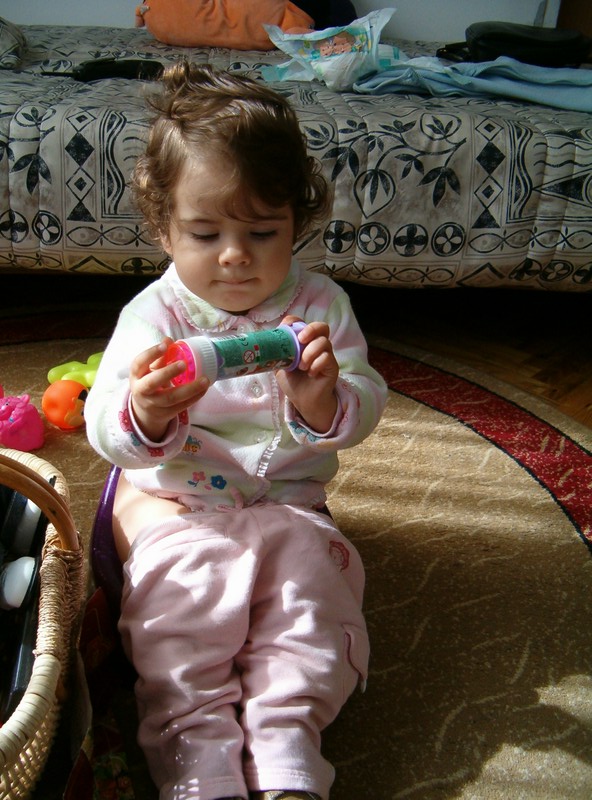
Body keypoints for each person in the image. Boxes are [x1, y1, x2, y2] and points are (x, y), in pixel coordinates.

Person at [85, 61, 387, 800]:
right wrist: (148, 411)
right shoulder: (153, 316)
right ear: (163, 228)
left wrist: (323, 400)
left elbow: (366, 402)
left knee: (313, 600)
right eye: (205, 232)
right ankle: (198, 756)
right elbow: (104, 427)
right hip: (179, 502)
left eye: (262, 231)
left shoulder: (320, 305)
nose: (234, 254)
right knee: (181, 618)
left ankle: (286, 743)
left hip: (285, 500)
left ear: (297, 222)